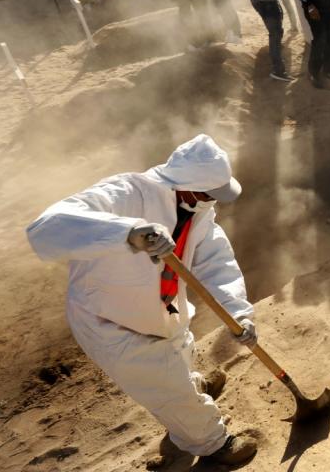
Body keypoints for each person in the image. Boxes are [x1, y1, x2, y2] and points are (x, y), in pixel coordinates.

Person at [25, 135, 258, 465]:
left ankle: (190, 386)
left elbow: (216, 260)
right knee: (166, 387)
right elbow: (45, 228)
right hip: (113, 321)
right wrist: (129, 233)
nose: (213, 202)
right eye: (209, 194)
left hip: (165, 307)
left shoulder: (198, 211)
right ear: (189, 187)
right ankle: (212, 444)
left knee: (179, 350)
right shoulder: (128, 192)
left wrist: (239, 312)